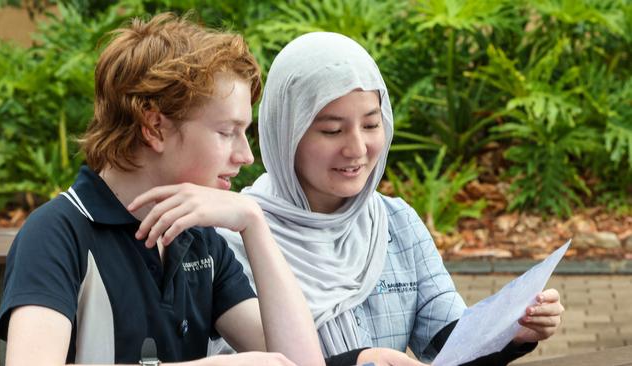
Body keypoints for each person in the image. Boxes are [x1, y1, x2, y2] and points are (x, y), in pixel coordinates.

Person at [133, 32, 565, 365]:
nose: (357, 148)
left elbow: (446, 344)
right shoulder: (229, 231)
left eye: (371, 124)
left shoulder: (395, 223)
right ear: (287, 135)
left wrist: (513, 329)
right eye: (332, 130)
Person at [0, 14, 336, 366]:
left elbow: (304, 362)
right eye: (226, 132)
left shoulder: (199, 239)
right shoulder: (57, 234)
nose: (246, 156)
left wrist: (254, 222)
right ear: (154, 127)